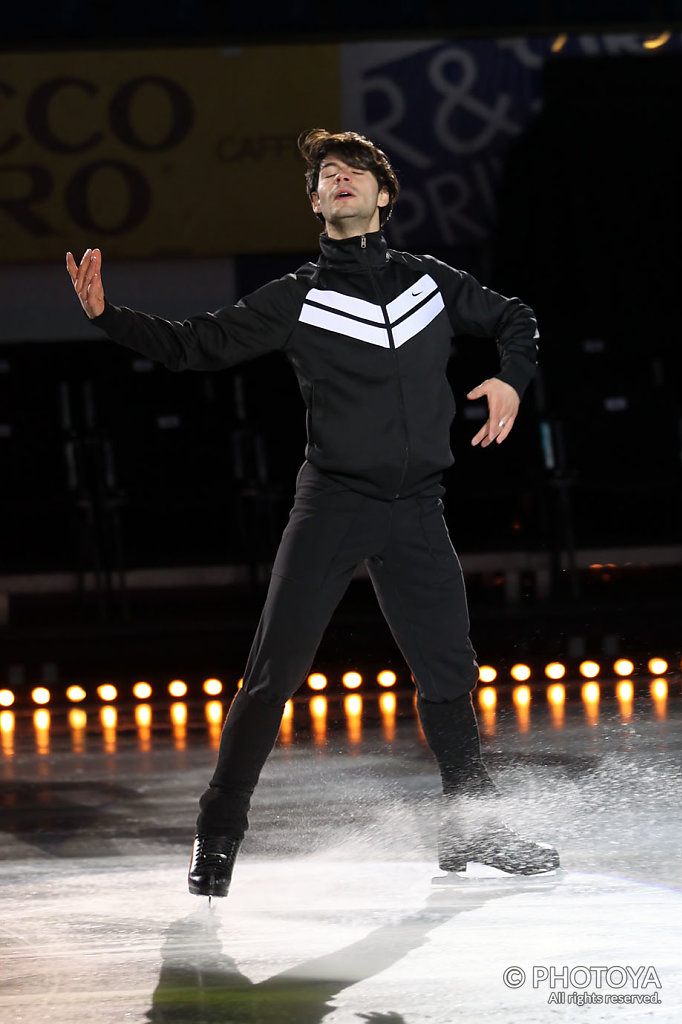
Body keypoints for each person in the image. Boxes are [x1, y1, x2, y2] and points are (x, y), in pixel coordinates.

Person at [66, 128, 559, 896]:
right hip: (332, 504)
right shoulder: (298, 297)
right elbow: (195, 345)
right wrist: (108, 316)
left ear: (382, 196)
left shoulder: (430, 282)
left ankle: (471, 832)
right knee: (272, 676)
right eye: (325, 174)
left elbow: (516, 317)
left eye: (353, 170)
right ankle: (218, 834)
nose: (337, 178)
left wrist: (510, 379)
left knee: (448, 675)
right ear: (315, 204)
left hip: (417, 508)